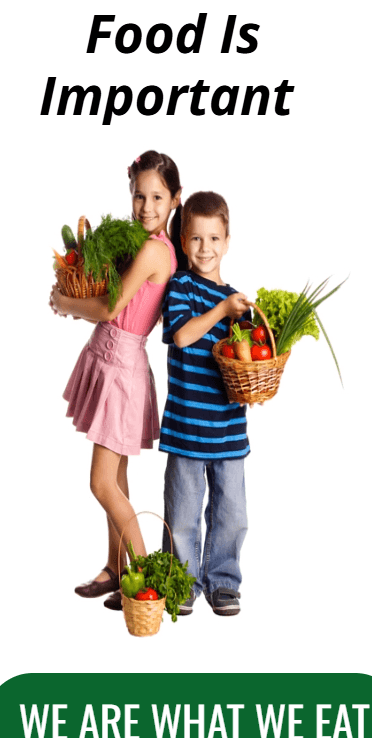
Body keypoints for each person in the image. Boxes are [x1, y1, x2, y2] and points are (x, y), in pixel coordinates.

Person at [50, 150, 183, 610]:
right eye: (139, 196)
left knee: (102, 483)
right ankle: (115, 568)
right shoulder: (150, 244)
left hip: (120, 369)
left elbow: (108, 309)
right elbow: (112, 297)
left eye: (157, 198)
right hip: (111, 361)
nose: (147, 207)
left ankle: (147, 581)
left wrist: (67, 304)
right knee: (119, 480)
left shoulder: (153, 250)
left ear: (174, 200)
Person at [160, 191, 251, 617]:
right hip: (185, 427)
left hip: (229, 428)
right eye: (196, 239)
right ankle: (182, 580)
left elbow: (249, 357)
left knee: (231, 514)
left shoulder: (234, 301)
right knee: (182, 516)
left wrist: (248, 325)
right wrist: (222, 310)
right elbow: (182, 336)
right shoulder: (181, 287)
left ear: (227, 241)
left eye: (214, 239)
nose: (205, 249)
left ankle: (223, 582)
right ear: (182, 240)